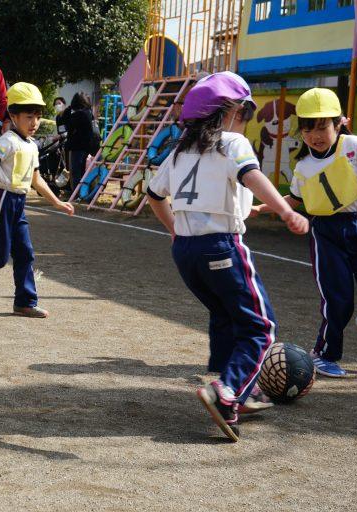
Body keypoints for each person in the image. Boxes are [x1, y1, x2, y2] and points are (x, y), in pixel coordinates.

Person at [146, 71, 309, 441]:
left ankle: (234, 386)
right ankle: (228, 391)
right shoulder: (232, 142)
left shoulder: (180, 151)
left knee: (225, 314)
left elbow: (154, 195)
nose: (245, 121)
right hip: (221, 246)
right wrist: (286, 211)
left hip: (186, 253)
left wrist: (175, 229)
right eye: (246, 113)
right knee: (260, 327)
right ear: (231, 112)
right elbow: (251, 176)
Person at [254, 88, 357, 378]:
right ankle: (324, 354)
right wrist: (261, 208)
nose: (314, 136)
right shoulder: (303, 166)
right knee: (338, 300)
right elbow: (294, 201)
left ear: (339, 123)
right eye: (307, 129)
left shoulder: (354, 146)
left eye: (322, 127)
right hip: (325, 234)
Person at [0, 83, 74, 318]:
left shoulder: (31, 145)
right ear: (13, 115)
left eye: (37, 117)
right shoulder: (7, 141)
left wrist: (56, 203)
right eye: (29, 117)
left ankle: (25, 302)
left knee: (25, 253)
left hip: (19, 203)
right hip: (2, 200)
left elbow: (36, 180)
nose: (34, 122)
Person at [65, 92, 97, 192]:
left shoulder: (77, 115)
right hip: (88, 147)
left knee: (76, 172)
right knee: (85, 171)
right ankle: (85, 192)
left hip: (77, 147)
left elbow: (68, 126)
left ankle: (76, 193)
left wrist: (68, 109)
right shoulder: (89, 113)